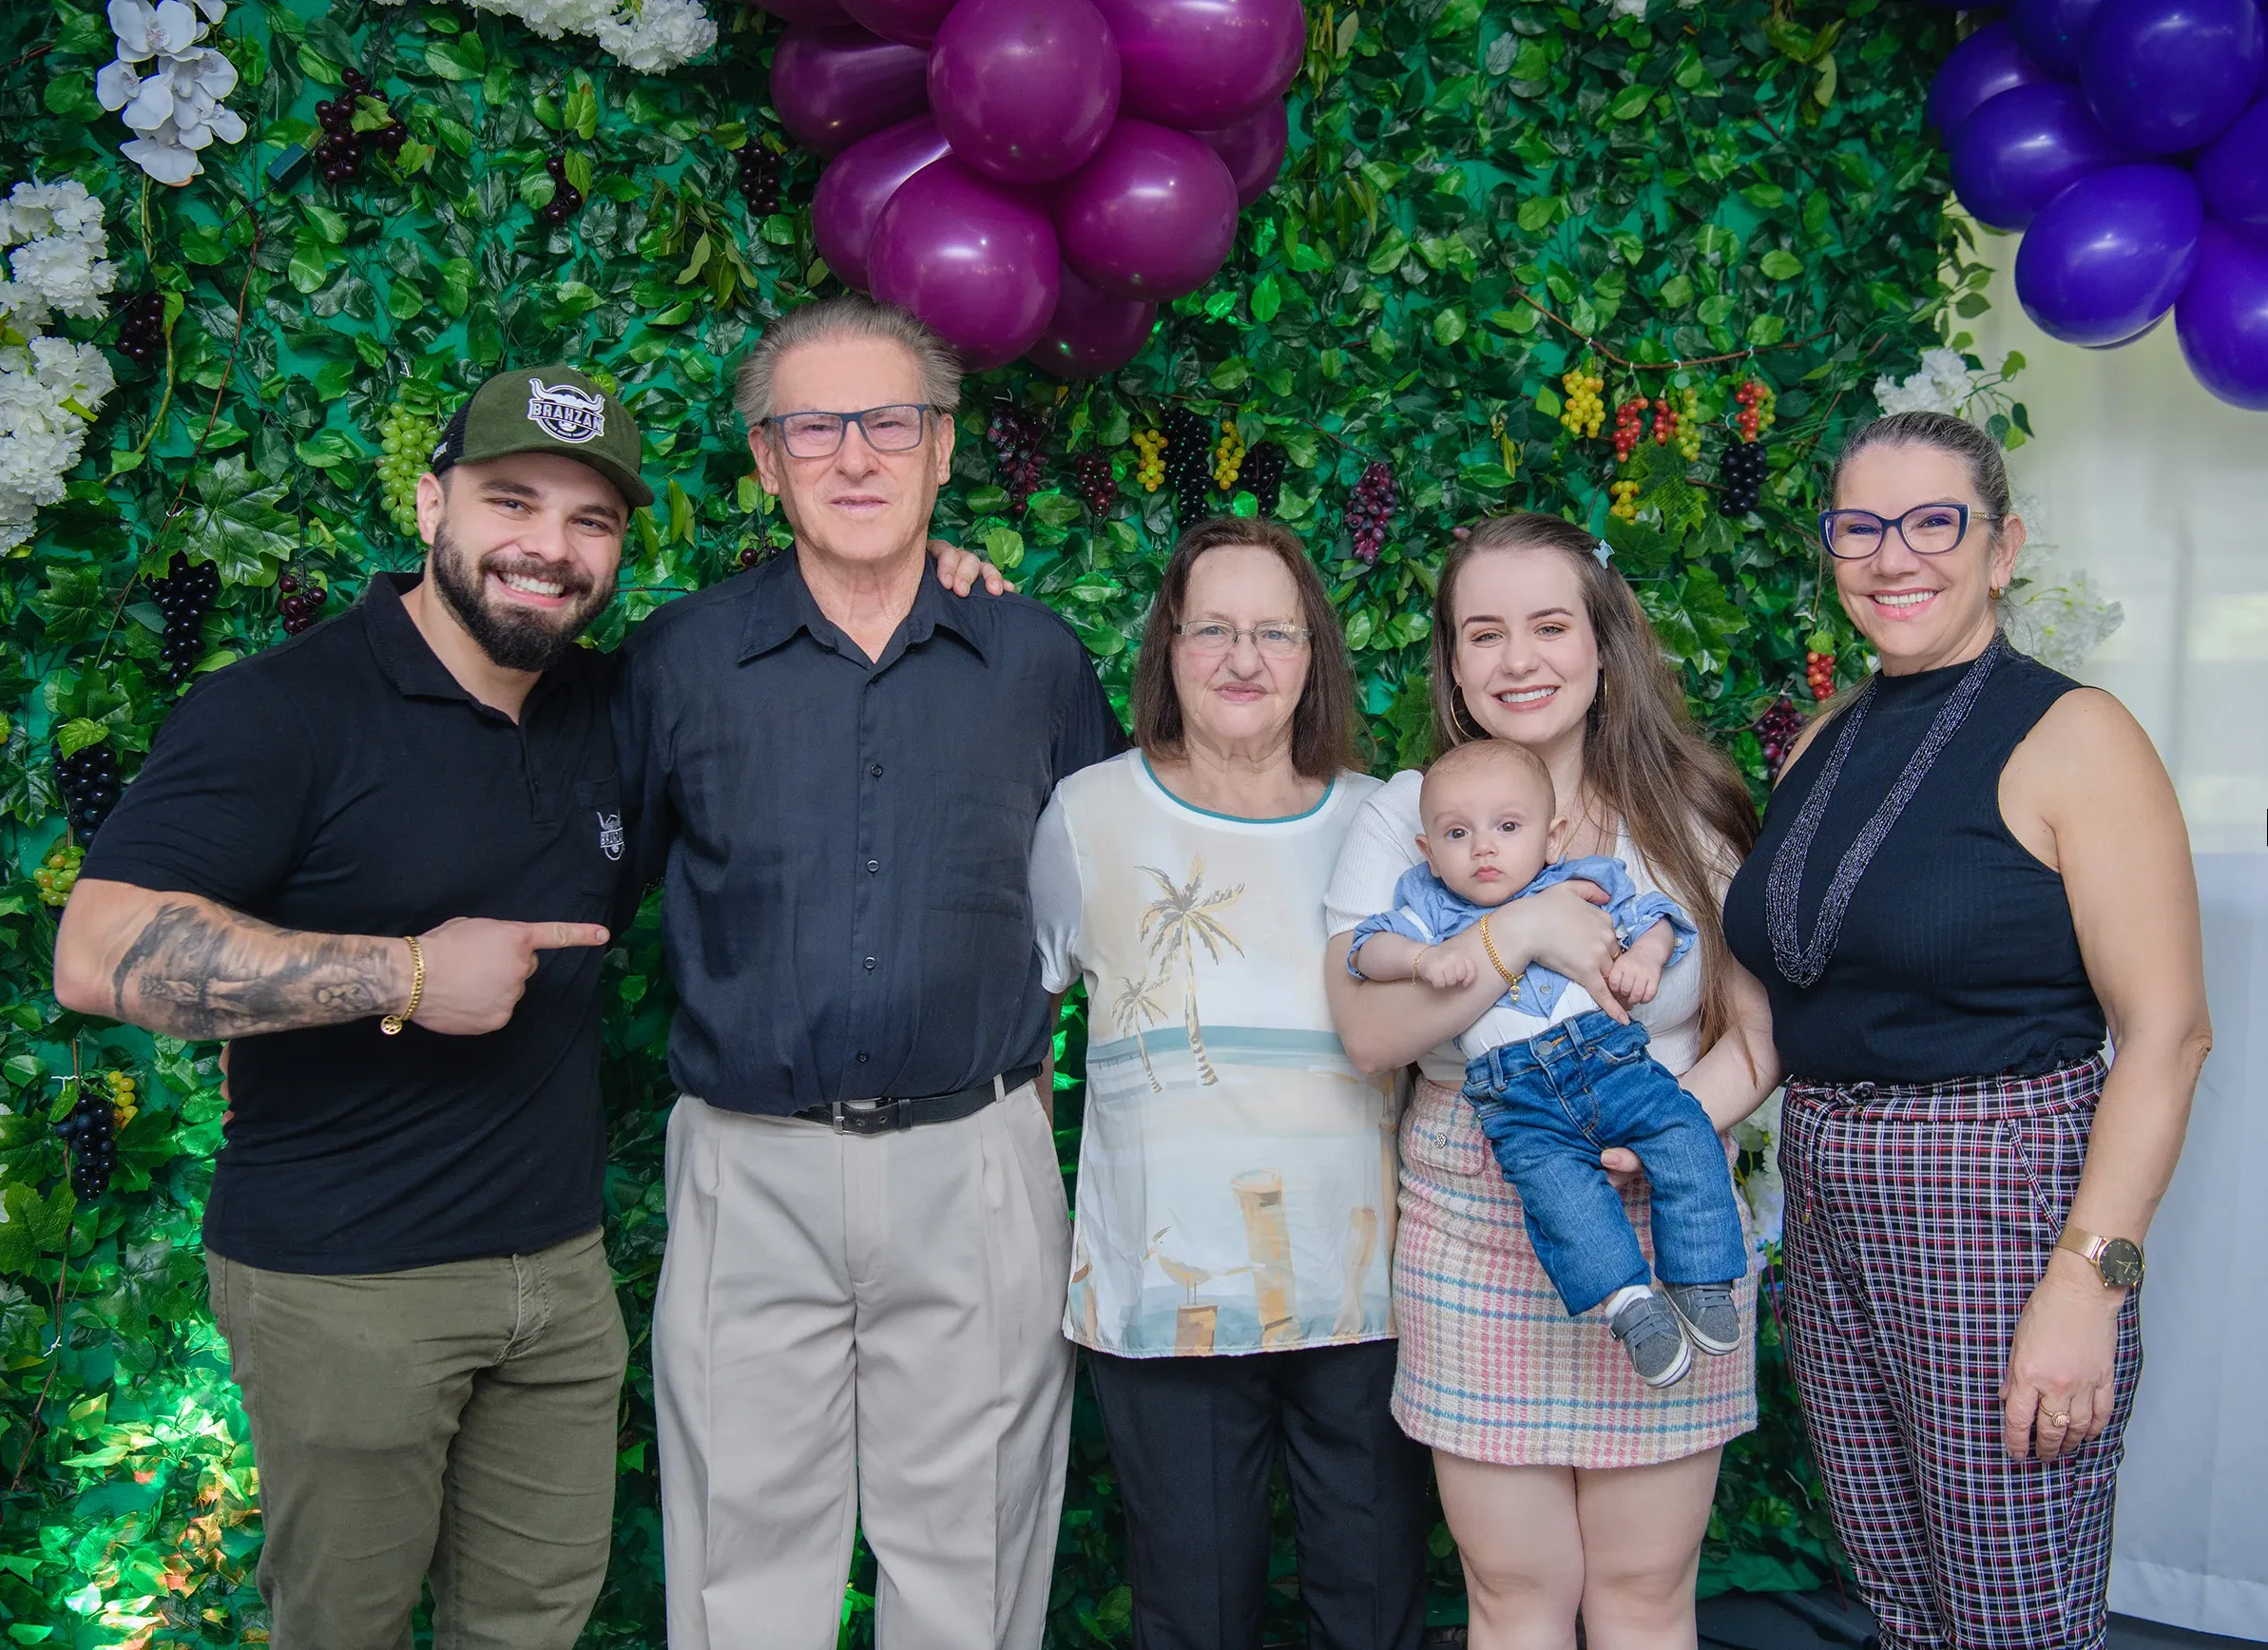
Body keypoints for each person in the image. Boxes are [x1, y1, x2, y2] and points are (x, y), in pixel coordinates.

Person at [49, 366, 645, 1650]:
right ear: (431, 503)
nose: (548, 548)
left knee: (536, 1620)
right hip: (344, 1285)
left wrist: (929, 575)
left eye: (590, 522)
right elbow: (96, 956)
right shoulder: (284, 711)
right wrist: (407, 976)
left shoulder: (613, 707)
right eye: (511, 502)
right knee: (343, 1628)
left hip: (557, 1274)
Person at [614, 295, 1122, 1650]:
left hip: (975, 1161)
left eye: (887, 421)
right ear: (766, 461)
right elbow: (592, 892)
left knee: (974, 1555)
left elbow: (1116, 912)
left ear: (941, 450)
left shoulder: (1034, 659)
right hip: (746, 1166)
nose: (854, 455)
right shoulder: (676, 663)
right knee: (740, 1568)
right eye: (811, 426)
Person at [1721, 411, 2209, 1650]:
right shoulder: (1825, 741)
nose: (1894, 556)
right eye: (1859, 527)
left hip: (1996, 1199)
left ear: (2000, 551)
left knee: (2010, 1617)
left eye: (1933, 522)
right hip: (1830, 1191)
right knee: (1900, 1604)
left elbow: (2166, 1034)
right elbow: (1799, 999)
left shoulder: (2073, 736)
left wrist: (2084, 1286)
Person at [1323, 512, 1779, 1648]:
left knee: (1640, 1592)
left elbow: (1761, 1037)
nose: (1517, 659)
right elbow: (1368, 1030)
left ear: (1601, 640)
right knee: (1515, 1597)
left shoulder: (1690, 814)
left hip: (1671, 1225)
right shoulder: (1409, 814)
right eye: (1484, 633)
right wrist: (1516, 929)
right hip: (1477, 1221)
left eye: (1546, 624)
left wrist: (1662, 1133)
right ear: (1453, 659)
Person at [1028, 517, 1431, 1650]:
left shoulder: (1384, 822)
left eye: (1274, 631)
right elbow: (1024, 1007)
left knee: (1374, 1602)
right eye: (1213, 628)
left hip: (1365, 1290)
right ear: (1167, 647)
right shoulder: (1086, 813)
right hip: (1168, 1298)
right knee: (1194, 1612)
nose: (1243, 658)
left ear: (1313, 656)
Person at [1347, 739, 1746, 1390]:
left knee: (1685, 1132)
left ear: (1551, 834)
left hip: (1610, 1059)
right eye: (1456, 833)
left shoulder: (1579, 883)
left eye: (1508, 828)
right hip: (1516, 1096)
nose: (1483, 847)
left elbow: (1659, 916)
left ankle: (1700, 1277)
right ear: (1428, 853)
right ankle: (1629, 1305)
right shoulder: (1426, 908)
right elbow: (1365, 950)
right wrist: (1419, 961)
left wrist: (1645, 956)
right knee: (1559, 1199)